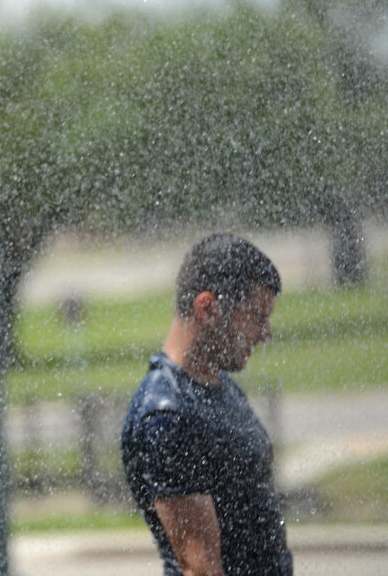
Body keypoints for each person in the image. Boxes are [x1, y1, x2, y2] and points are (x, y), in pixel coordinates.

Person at [120, 232, 292, 576]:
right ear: (207, 308)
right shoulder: (167, 416)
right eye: (256, 316)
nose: (266, 333)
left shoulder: (217, 386)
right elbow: (202, 569)